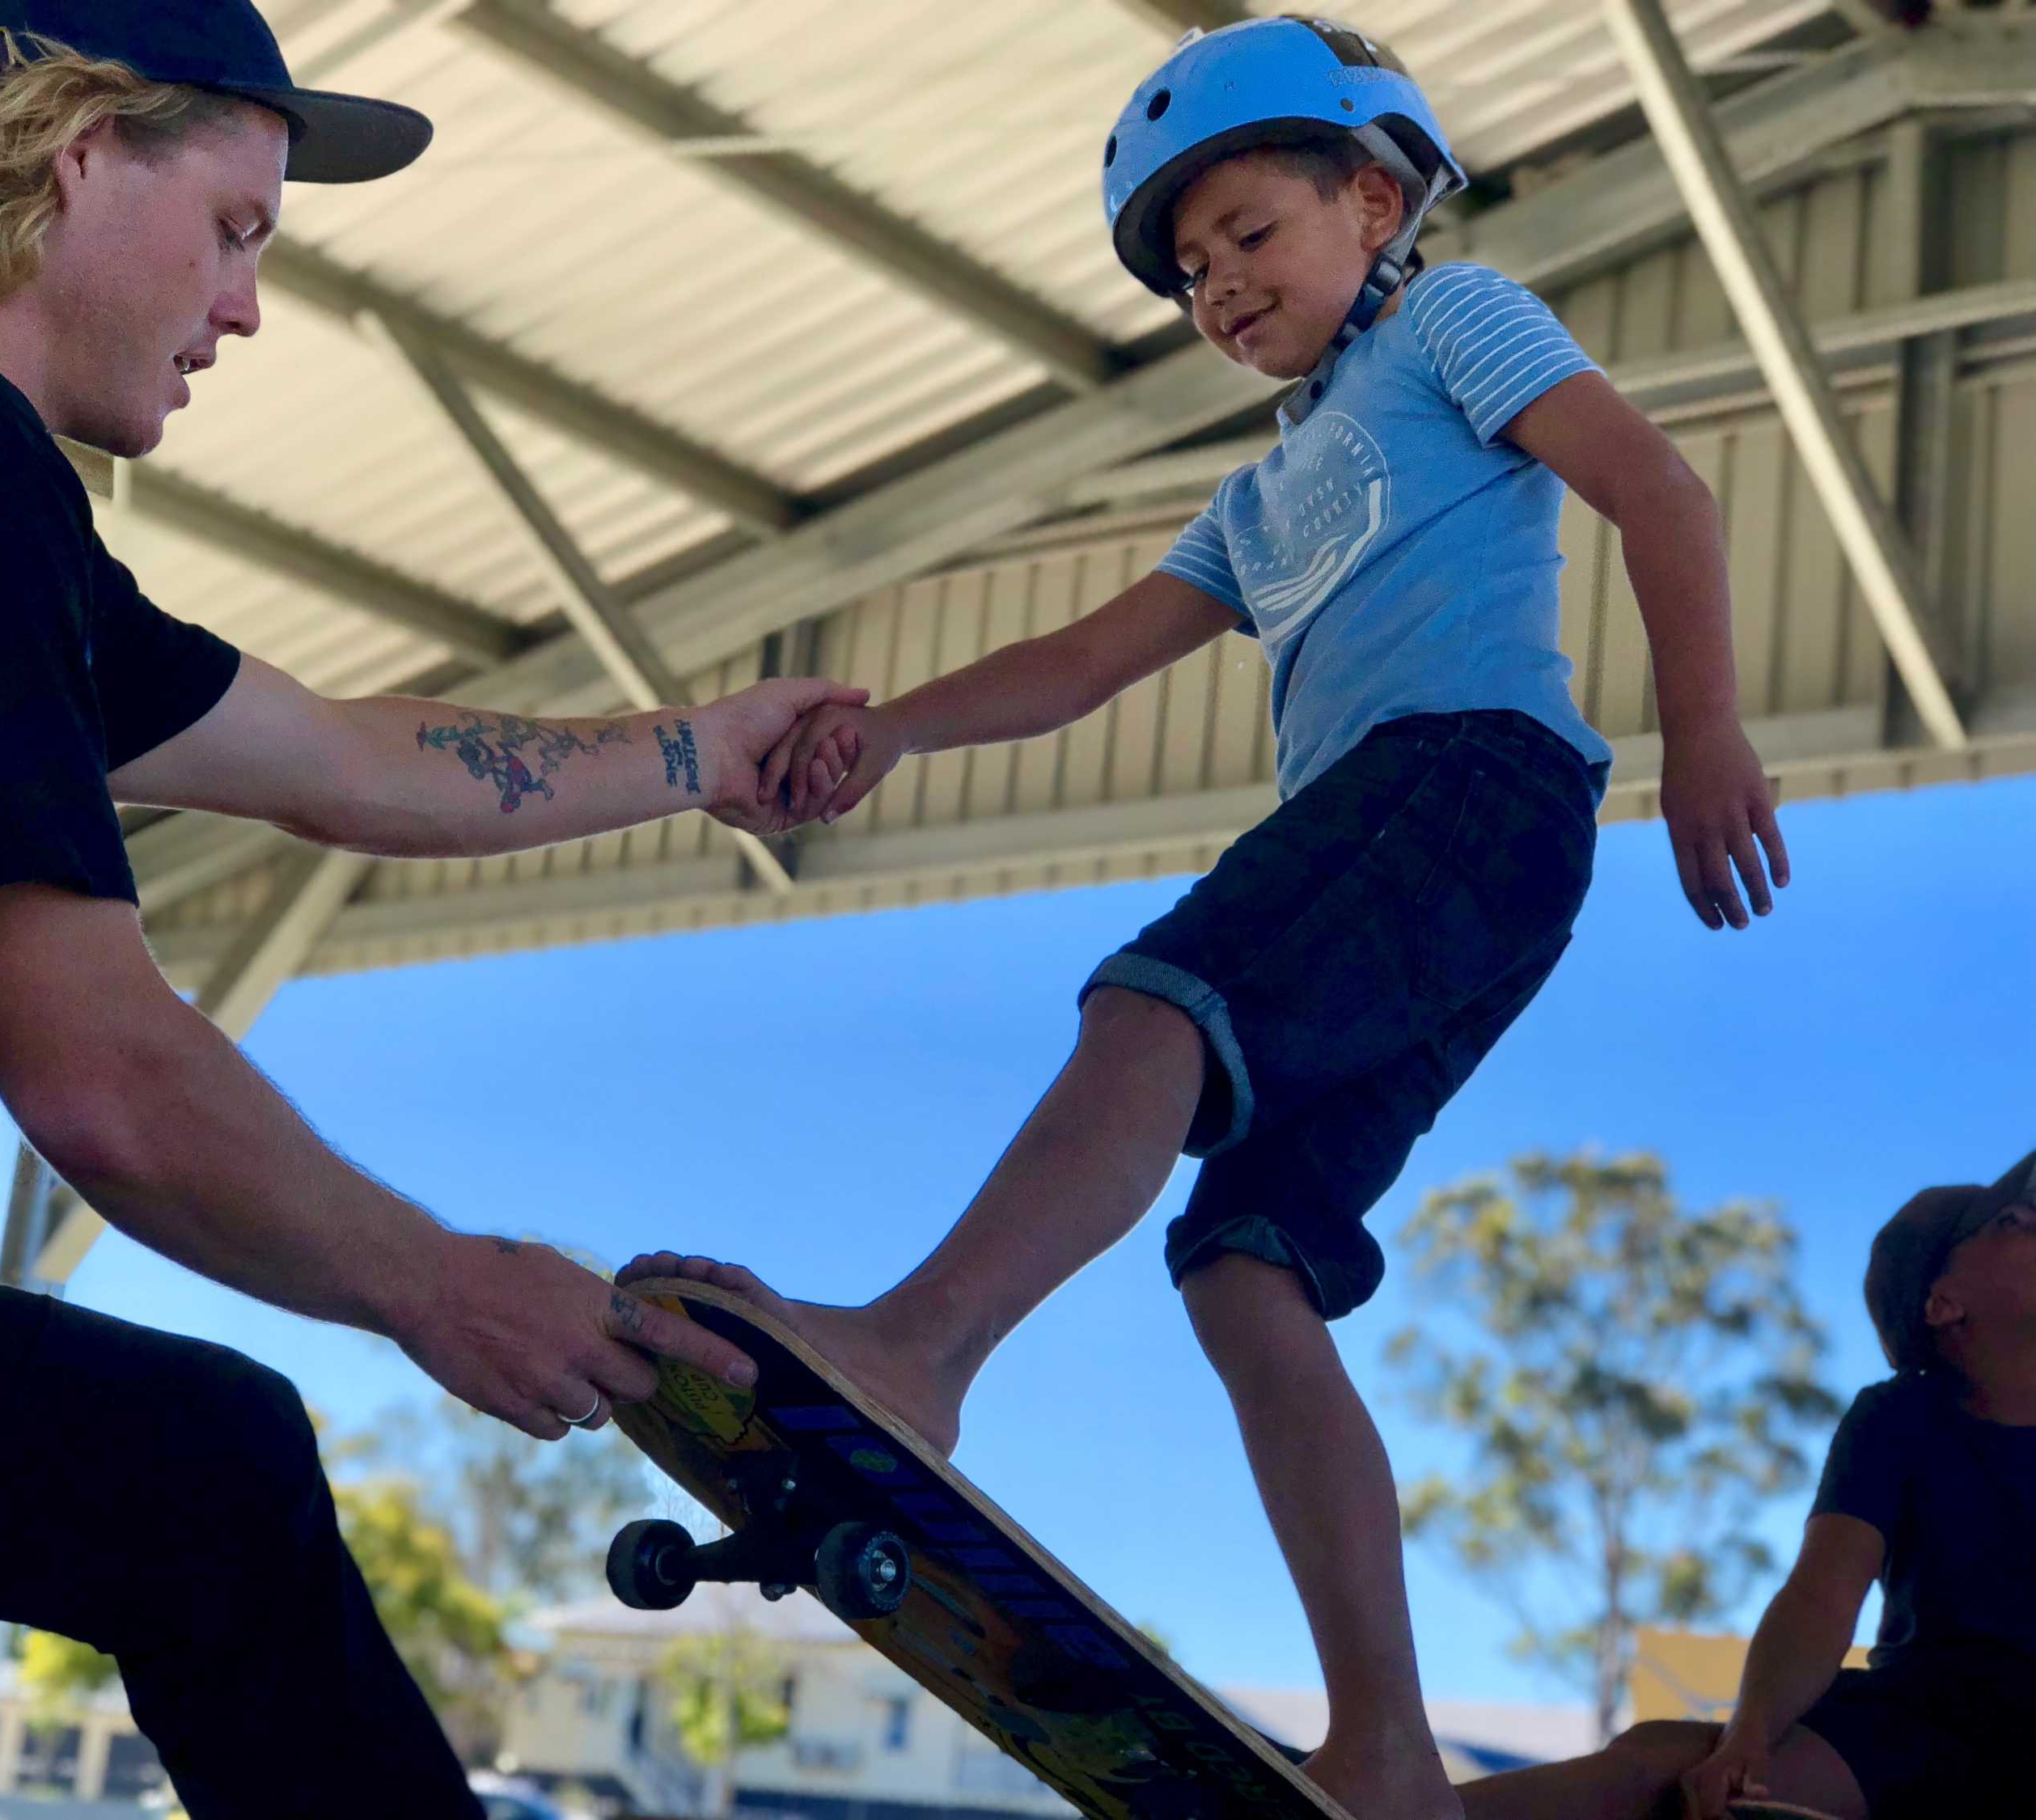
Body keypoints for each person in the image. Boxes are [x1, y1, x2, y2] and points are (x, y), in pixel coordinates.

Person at [0, 2, 860, 1811]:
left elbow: (353, 759)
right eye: (237, 229)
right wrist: (438, 1284)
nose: (248, 306)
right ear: (79, 148)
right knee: (187, 1466)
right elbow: (104, 1080)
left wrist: (701, 752)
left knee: (190, 1465)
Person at [618, 19, 1790, 1820]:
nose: (1219, 285)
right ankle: (1390, 1753)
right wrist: (895, 725)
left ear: (1376, 199)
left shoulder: (1452, 322)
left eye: (1249, 231)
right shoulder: (1255, 498)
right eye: (1188, 270)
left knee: (1156, 1004)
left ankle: (921, 1351)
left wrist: (1705, 728)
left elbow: (1662, 488)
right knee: (1245, 1269)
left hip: (1466, 781)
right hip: (1445, 868)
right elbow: (1084, 664)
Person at [1455, 1147, 2036, 1820]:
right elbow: (1822, 1593)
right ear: (1944, 1305)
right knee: (1667, 1770)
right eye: (2008, 1223)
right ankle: (1388, 1806)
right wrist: (1750, 1733)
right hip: (1928, 1726)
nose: (2031, 1219)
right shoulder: (1900, 1416)